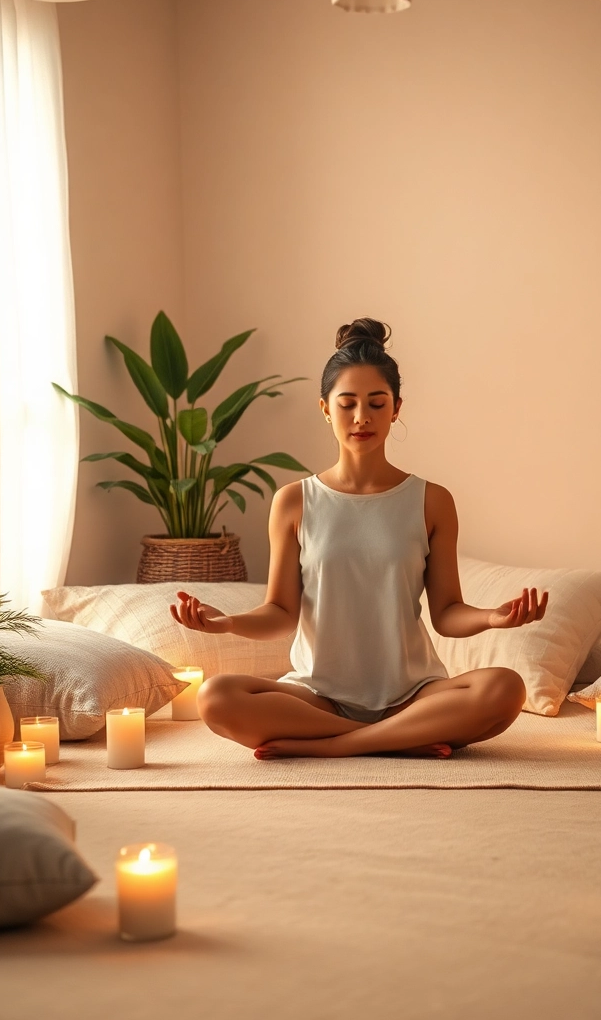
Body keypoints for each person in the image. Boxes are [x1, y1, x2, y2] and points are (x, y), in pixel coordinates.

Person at [170, 318, 548, 759]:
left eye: (376, 403)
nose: (361, 417)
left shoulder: (432, 501)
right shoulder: (294, 502)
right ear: (325, 409)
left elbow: (447, 613)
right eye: (347, 404)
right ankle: (399, 740)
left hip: (414, 694)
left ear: (397, 407)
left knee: (504, 687)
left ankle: (334, 746)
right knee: (216, 697)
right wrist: (228, 623)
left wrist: (492, 618)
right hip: (318, 695)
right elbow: (280, 613)